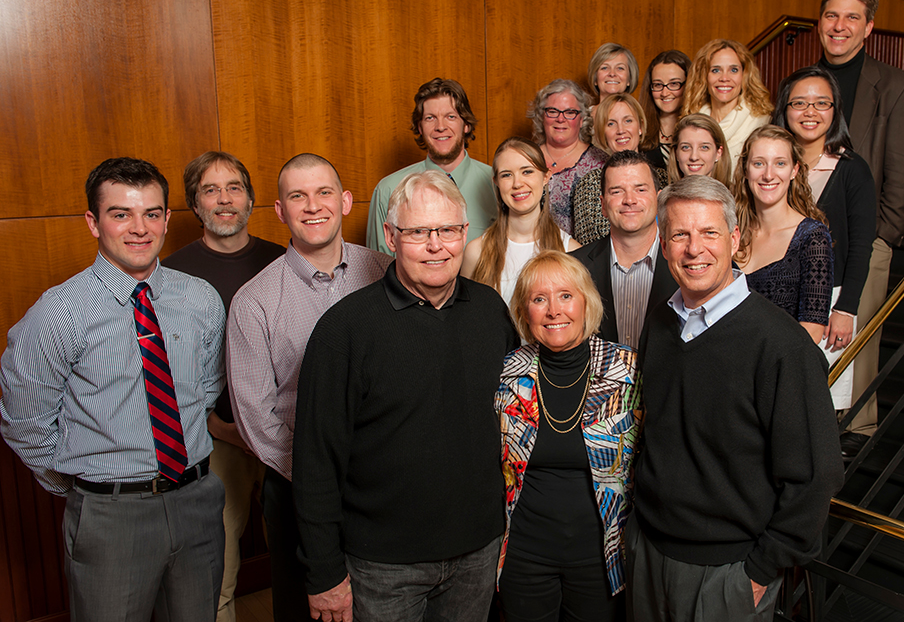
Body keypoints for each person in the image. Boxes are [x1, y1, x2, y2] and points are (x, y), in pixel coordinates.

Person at [1, 157, 227, 622]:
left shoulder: (200, 298)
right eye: (120, 213)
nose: (139, 228)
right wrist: (87, 486)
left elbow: (205, 390)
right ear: (93, 222)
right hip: (109, 516)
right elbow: (25, 422)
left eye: (151, 213)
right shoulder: (59, 312)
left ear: (166, 219)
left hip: (196, 502)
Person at [294, 170, 520, 622]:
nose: (436, 245)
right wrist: (323, 573)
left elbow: (517, 423)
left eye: (448, 230)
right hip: (383, 565)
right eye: (418, 232)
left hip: (478, 551)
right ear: (390, 235)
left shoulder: (491, 311)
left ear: (465, 233)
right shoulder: (345, 330)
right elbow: (316, 459)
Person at [628, 175, 843, 622]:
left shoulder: (780, 345)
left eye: (709, 233)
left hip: (728, 572)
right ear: (663, 246)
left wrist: (762, 570)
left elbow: (817, 472)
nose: (694, 248)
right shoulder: (661, 325)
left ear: (734, 238)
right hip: (649, 551)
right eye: (680, 235)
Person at [227, 153, 391, 621]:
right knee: (310, 610)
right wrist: (323, 483)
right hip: (300, 491)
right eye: (297, 196)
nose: (312, 206)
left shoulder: (386, 272)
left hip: (387, 486)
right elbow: (258, 421)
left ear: (345, 202)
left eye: (323, 193)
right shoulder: (254, 302)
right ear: (280, 211)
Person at [163, 151, 285, 622]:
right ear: (195, 205)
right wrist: (221, 428)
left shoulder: (283, 260)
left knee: (299, 561)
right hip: (216, 438)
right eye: (210, 190)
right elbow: (171, 373)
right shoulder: (170, 277)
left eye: (233, 187)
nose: (224, 199)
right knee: (215, 571)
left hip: (283, 436)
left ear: (251, 199)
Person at [496, 250, 642, 622]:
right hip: (524, 555)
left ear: (585, 302)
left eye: (565, 295)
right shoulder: (507, 373)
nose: (553, 310)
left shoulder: (627, 370)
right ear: (525, 312)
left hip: (600, 555)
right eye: (539, 299)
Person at [816, 0, 904, 451]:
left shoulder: (897, 87)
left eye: (851, 17)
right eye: (831, 16)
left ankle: (856, 431)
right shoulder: (803, 83)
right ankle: (813, 424)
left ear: (869, 27)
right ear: (819, 23)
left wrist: (882, 235)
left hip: (866, 237)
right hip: (806, 236)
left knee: (855, 343)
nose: (839, 26)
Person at [773, 66, 877, 411]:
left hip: (828, 299)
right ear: (784, 110)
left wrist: (846, 308)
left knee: (818, 401)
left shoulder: (851, 169)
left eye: (822, 103)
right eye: (799, 103)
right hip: (775, 295)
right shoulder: (771, 165)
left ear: (835, 111)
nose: (810, 112)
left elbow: (861, 246)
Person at [366, 77, 497, 255]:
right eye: (430, 118)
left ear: (466, 124)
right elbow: (378, 269)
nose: (440, 127)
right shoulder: (388, 190)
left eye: (450, 117)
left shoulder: (497, 184)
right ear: (420, 127)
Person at [734, 125, 834, 344]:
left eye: (780, 163)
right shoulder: (730, 231)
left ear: (794, 170)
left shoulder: (812, 237)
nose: (768, 175)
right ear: (745, 169)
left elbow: (812, 331)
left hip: (778, 369)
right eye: (758, 163)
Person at [571, 151, 678, 350]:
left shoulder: (686, 263)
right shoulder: (574, 268)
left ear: (659, 199)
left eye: (640, 189)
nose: (629, 200)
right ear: (603, 205)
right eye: (617, 191)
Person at [461, 137, 581, 305]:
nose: (517, 183)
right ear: (496, 182)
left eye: (527, 171)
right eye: (506, 175)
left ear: (546, 176)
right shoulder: (476, 252)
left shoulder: (571, 251)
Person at [572, 94, 669, 245]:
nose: (621, 130)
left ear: (640, 127)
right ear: (602, 132)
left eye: (628, 121)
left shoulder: (664, 178)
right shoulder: (589, 185)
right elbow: (591, 247)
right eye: (611, 124)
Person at [528, 79, 609, 234]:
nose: (560, 119)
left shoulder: (601, 164)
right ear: (541, 116)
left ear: (582, 119)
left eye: (570, 112)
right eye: (552, 111)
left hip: (580, 255)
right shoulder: (525, 159)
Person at [682, 39, 772, 176]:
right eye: (716, 70)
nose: (724, 78)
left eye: (733, 70)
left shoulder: (762, 124)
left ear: (744, 76)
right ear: (704, 76)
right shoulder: (690, 121)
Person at [638, 50, 690, 171]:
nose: (665, 93)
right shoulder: (640, 129)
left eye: (674, 84)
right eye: (658, 85)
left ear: (689, 85)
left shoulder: (700, 126)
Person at [665, 113, 732, 188]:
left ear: (718, 153)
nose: (694, 157)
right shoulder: (664, 198)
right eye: (686, 147)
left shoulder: (735, 197)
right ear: (676, 153)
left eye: (704, 147)